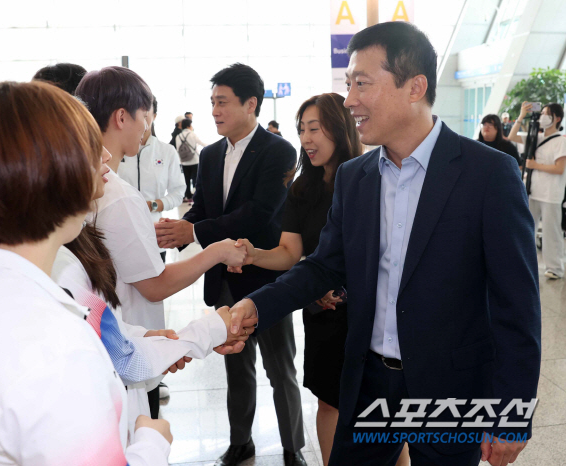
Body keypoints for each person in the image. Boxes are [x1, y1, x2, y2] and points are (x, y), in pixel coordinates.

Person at [228, 22, 540, 466]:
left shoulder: (487, 175)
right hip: (370, 383)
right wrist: (256, 308)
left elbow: (519, 305)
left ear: (415, 87)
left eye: (362, 84)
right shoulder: (357, 178)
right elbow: (321, 267)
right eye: (348, 84)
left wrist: (512, 413)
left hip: (448, 391)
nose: (350, 99)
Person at [0, 81, 173, 465]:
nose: (104, 155)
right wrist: (152, 442)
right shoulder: (54, 349)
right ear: (45, 173)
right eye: (87, 147)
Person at [229, 93, 409, 466]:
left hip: (368, 314)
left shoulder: (372, 177)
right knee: (329, 400)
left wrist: (340, 287)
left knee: (384, 412)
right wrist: (256, 255)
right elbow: (291, 253)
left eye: (315, 128)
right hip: (322, 316)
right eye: (301, 130)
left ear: (341, 128)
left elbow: (387, 256)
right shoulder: (301, 188)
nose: (307, 139)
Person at [155, 63, 306, 466]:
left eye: (222, 102)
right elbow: (201, 210)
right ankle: (241, 442)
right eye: (212, 103)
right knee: (236, 367)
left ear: (250, 103)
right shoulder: (209, 154)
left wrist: (195, 232)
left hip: (266, 279)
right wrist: (178, 230)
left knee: (280, 369)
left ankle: (294, 448)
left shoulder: (279, 151)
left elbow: (259, 214)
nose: (215, 111)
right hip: (224, 281)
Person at [75, 66, 247, 418]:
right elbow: (155, 285)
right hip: (129, 356)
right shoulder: (117, 194)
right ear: (121, 117)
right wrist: (215, 251)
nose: (147, 127)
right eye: (144, 117)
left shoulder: (84, 185)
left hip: (114, 340)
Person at [52, 219, 255, 437]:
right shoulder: (64, 266)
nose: (103, 181)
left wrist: (149, 338)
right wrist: (211, 329)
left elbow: (104, 327)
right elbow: (123, 361)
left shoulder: (67, 249)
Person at [117, 95, 186, 262]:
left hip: (154, 232)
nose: (142, 119)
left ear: (154, 116)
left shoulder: (166, 151)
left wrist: (153, 205)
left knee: (155, 282)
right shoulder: (116, 149)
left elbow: (178, 192)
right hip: (120, 232)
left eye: (146, 113)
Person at [508, 102, 566, 279]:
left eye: (546, 113)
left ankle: (555, 267)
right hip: (532, 191)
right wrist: (521, 115)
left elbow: (559, 168)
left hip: (551, 194)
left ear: (557, 118)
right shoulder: (535, 137)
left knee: (551, 232)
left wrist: (535, 165)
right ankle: (525, 264)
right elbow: (511, 136)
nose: (542, 116)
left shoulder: (561, 141)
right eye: (541, 113)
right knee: (526, 230)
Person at [175, 118, 206, 203]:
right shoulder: (193, 135)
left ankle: (187, 196)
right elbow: (202, 144)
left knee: (186, 180)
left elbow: (178, 149)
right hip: (195, 160)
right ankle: (196, 196)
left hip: (184, 162)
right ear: (189, 126)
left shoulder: (178, 136)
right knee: (196, 180)